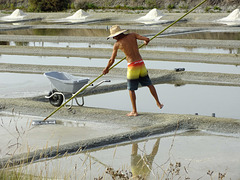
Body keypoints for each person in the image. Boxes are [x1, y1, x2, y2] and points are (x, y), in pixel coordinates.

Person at [103, 25, 163, 116]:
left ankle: (134, 111)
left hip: (132, 66)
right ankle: (158, 102)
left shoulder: (117, 44)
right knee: (149, 84)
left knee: (131, 89)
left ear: (117, 35)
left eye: (113, 36)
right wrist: (145, 42)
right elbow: (147, 39)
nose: (113, 38)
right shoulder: (133, 35)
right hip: (141, 64)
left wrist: (106, 68)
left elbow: (112, 60)